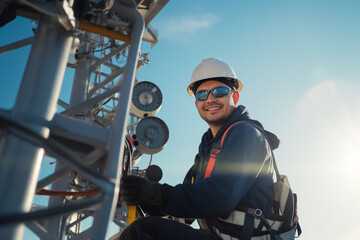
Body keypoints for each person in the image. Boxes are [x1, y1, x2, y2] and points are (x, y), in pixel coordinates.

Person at [119, 58, 281, 240]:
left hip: (241, 237)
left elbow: (221, 197)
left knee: (144, 231)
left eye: (219, 91)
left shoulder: (247, 135)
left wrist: (158, 194)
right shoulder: (208, 148)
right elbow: (188, 208)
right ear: (196, 104)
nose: (210, 99)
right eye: (202, 95)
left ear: (234, 97)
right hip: (218, 235)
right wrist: (146, 197)